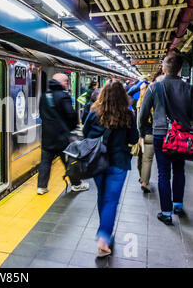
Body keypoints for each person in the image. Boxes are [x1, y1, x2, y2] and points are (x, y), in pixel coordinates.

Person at [139, 52, 193, 225]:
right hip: (182, 136)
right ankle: (177, 205)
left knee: (163, 173)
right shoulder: (190, 89)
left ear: (163, 68)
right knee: (179, 170)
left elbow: (143, 114)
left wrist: (143, 131)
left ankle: (166, 212)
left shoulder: (154, 87)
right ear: (180, 70)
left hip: (161, 135)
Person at [83, 80, 139, 257]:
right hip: (118, 163)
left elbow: (85, 134)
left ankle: (104, 229)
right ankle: (104, 237)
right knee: (111, 200)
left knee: (102, 196)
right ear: (123, 96)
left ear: (103, 94)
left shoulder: (93, 113)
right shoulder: (128, 115)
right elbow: (134, 138)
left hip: (97, 161)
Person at [38, 73, 90, 194]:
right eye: (66, 82)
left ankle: (41, 187)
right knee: (69, 161)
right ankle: (76, 184)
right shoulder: (63, 96)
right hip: (62, 138)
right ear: (62, 83)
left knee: (45, 162)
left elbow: (41, 114)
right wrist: (72, 128)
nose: (67, 84)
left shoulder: (44, 96)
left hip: (47, 137)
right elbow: (71, 115)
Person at [135, 74, 155, 193]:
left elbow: (139, 121)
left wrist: (139, 135)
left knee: (140, 157)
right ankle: (144, 181)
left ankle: (141, 176)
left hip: (141, 134)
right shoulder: (155, 105)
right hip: (151, 134)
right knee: (148, 160)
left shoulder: (139, 105)